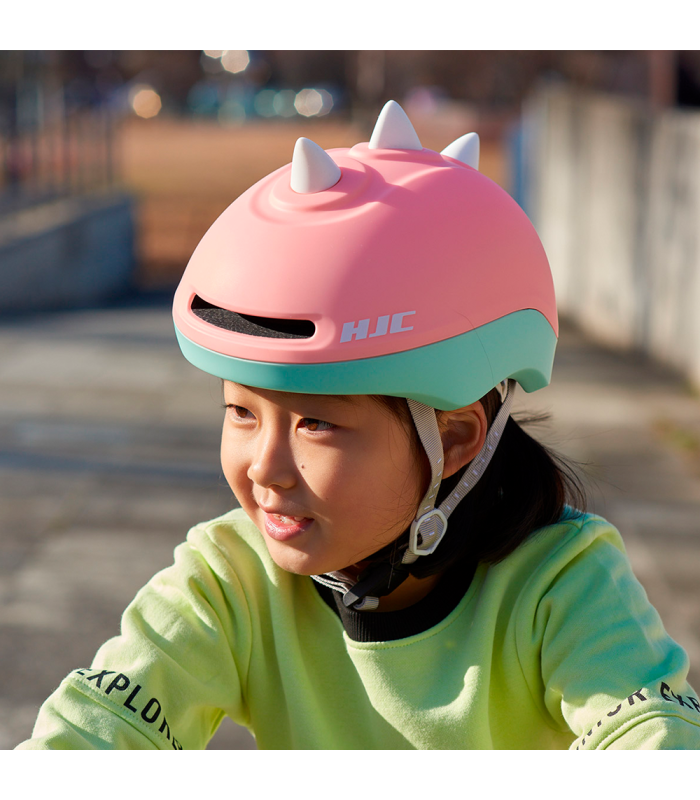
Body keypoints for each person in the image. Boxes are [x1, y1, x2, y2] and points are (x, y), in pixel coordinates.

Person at [16, 101, 700, 750]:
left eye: (316, 423)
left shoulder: (562, 587)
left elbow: (649, 734)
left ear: (455, 439)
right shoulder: (232, 582)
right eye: (241, 413)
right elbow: (98, 727)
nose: (263, 467)